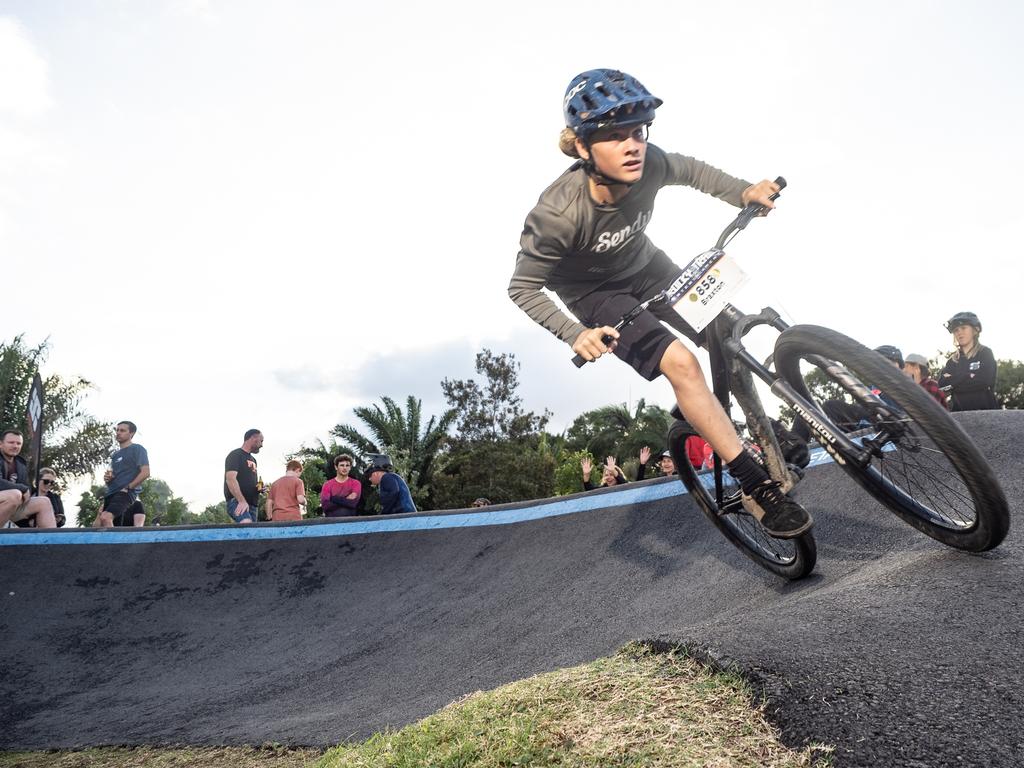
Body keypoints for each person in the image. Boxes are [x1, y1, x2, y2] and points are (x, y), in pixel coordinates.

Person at [508, 68, 810, 538]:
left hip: (650, 268)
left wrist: (743, 191)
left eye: (638, 132)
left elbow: (692, 171)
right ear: (583, 147)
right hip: (598, 296)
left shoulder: (650, 163)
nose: (632, 146)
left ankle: (763, 428)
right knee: (683, 364)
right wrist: (576, 333)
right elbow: (522, 287)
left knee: (727, 335)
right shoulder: (556, 216)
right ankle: (757, 487)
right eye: (613, 137)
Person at [940, 312, 999, 411]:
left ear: (975, 330)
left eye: (963, 328)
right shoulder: (952, 361)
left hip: (986, 413)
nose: (959, 333)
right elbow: (942, 385)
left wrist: (954, 382)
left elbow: (984, 381)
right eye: (956, 330)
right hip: (959, 415)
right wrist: (968, 376)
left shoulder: (985, 353)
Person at [97, 421, 150, 527]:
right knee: (102, 524)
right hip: (111, 493)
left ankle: (114, 544)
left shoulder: (138, 449)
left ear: (131, 433)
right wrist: (108, 479)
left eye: (122, 430)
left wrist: (128, 487)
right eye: (117, 430)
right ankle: (115, 543)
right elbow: (113, 477)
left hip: (125, 493)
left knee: (106, 517)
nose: (118, 433)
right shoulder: (115, 455)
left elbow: (146, 472)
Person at [0, 428, 57, 529]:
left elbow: (28, 487)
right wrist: (22, 489)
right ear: (1, 444)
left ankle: (51, 542)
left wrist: (26, 491)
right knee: (15, 494)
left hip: (12, 505)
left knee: (43, 502)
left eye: (18, 443)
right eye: (11, 442)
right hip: (9, 498)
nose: (15, 446)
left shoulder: (20, 463)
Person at [224, 429, 263, 524]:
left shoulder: (253, 459)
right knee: (246, 523)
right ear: (253, 438)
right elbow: (230, 479)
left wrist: (259, 488)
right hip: (237, 501)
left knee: (252, 535)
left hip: (253, 505)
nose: (262, 445)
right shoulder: (235, 455)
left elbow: (249, 482)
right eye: (261, 441)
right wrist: (241, 501)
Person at [320, 454, 362, 518]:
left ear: (350, 468)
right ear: (336, 467)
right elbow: (325, 505)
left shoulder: (356, 483)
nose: (345, 468)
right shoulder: (327, 484)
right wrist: (345, 500)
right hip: (331, 521)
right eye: (342, 465)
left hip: (350, 521)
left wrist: (334, 498)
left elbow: (353, 503)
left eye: (347, 465)